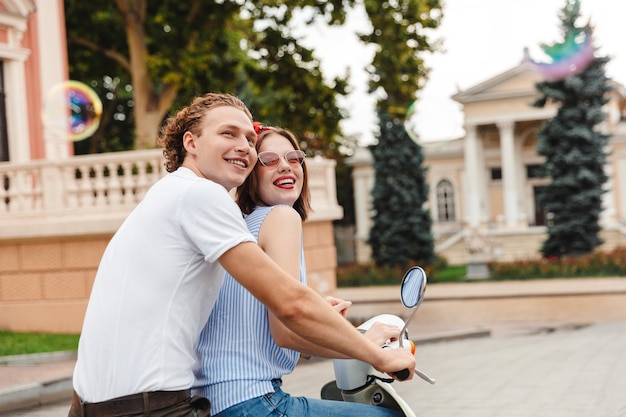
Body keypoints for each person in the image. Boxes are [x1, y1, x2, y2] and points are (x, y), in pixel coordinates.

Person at [68, 93, 415, 417]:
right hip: (153, 407)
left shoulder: (180, 201)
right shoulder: (201, 196)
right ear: (191, 142)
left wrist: (316, 321)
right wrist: (374, 352)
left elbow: (253, 323)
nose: (243, 147)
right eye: (228, 134)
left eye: (249, 139)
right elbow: (290, 305)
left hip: (93, 403)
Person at [194, 126, 404, 417]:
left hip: (212, 403)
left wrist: (317, 320)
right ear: (251, 175)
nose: (285, 166)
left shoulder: (240, 227)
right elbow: (285, 330)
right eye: (268, 160)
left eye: (294, 158)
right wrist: (367, 347)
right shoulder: (281, 218)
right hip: (250, 401)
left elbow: (256, 327)